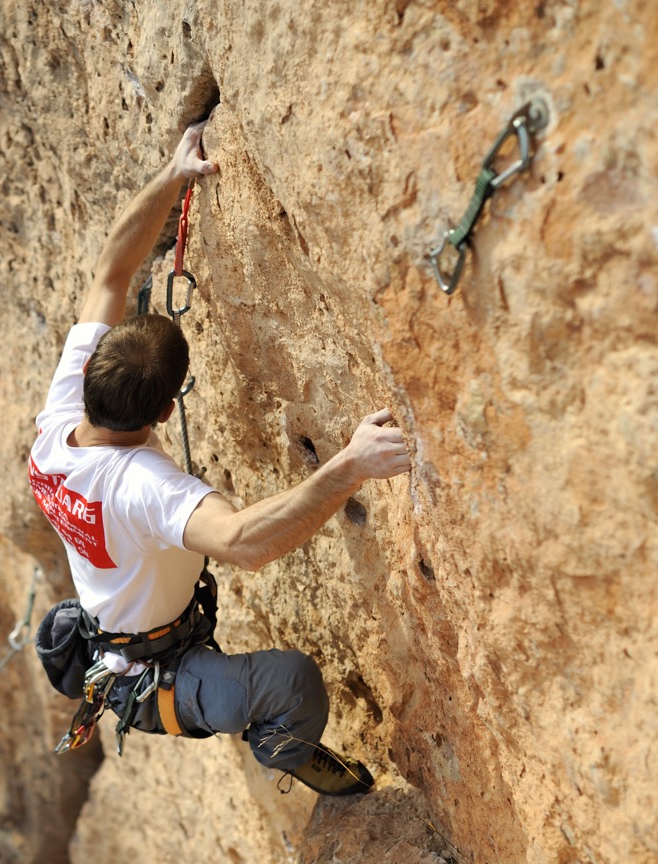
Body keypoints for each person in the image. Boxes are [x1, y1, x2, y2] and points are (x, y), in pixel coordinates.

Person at [29, 114, 411, 796]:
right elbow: (242, 542)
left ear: (88, 374)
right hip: (154, 678)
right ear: (167, 412)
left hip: (117, 638)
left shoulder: (60, 414)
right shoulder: (140, 485)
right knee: (291, 684)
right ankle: (284, 748)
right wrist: (350, 464)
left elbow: (112, 271)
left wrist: (175, 178)